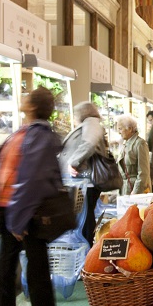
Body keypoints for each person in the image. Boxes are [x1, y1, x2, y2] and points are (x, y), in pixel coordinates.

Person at [0, 87, 64, 306]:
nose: (22, 98)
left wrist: (21, 219)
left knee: (37, 272)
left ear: (32, 105)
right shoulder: (25, 132)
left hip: (28, 215)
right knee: (4, 271)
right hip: (10, 211)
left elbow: (32, 179)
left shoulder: (39, 136)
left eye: (27, 96)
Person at [59, 101, 108, 246]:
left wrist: (72, 162)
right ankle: (86, 249)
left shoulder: (91, 123)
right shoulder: (92, 124)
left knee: (85, 219)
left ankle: (86, 251)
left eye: (75, 115)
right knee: (86, 217)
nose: (73, 119)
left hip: (86, 180)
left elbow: (89, 143)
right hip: (85, 180)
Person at [115, 114, 151, 195]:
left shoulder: (140, 144)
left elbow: (143, 172)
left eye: (120, 129)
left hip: (136, 191)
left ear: (130, 129)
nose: (119, 132)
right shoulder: (126, 143)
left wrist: (136, 191)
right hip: (126, 188)